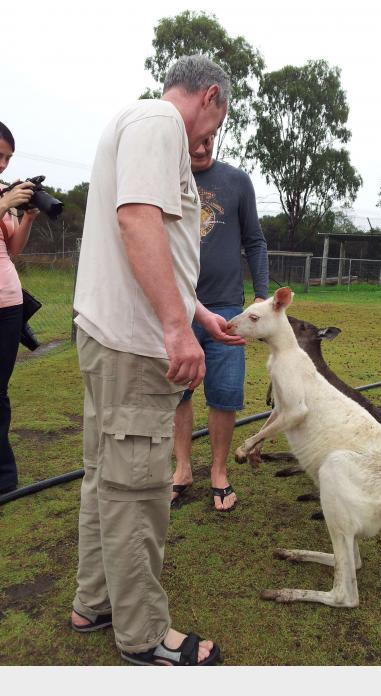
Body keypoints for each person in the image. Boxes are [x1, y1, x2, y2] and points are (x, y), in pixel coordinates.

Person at [71, 55, 243, 666]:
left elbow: (157, 251)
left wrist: (196, 314)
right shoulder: (160, 123)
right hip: (133, 345)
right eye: (215, 127)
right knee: (138, 486)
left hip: (113, 336)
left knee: (106, 474)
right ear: (211, 97)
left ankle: (93, 600)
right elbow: (137, 220)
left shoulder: (144, 126)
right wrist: (176, 331)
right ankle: (143, 634)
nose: (209, 141)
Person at [172, 132, 268, 512]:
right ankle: (181, 469)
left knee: (225, 394)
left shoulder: (237, 182)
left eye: (208, 138)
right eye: (194, 139)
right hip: (177, 306)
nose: (200, 146)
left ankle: (218, 470)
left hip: (228, 308)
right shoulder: (168, 177)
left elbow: (255, 241)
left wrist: (261, 294)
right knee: (178, 391)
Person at [0, 122, 39, 495]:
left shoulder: (5, 194)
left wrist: (25, 216)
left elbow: (14, 250)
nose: (3, 165)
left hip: (9, 304)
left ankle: (5, 477)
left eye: (8, 158)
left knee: (0, 390)